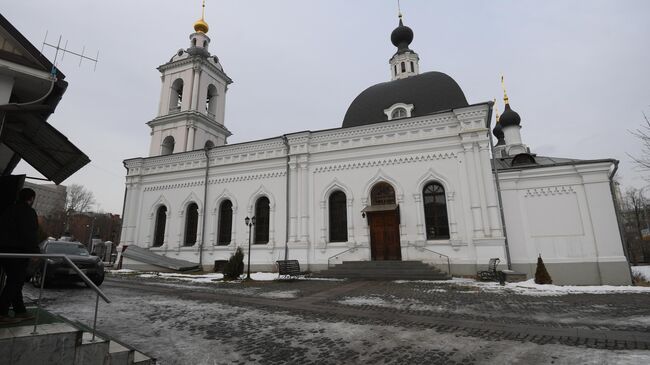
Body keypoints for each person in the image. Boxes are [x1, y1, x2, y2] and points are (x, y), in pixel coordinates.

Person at [0, 188, 39, 323]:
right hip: (18, 252)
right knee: (15, 282)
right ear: (31, 198)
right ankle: (2, 312)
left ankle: (20, 311)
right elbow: (29, 233)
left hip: (5, 252)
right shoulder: (28, 212)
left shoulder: (9, 210)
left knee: (15, 281)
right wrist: (34, 251)